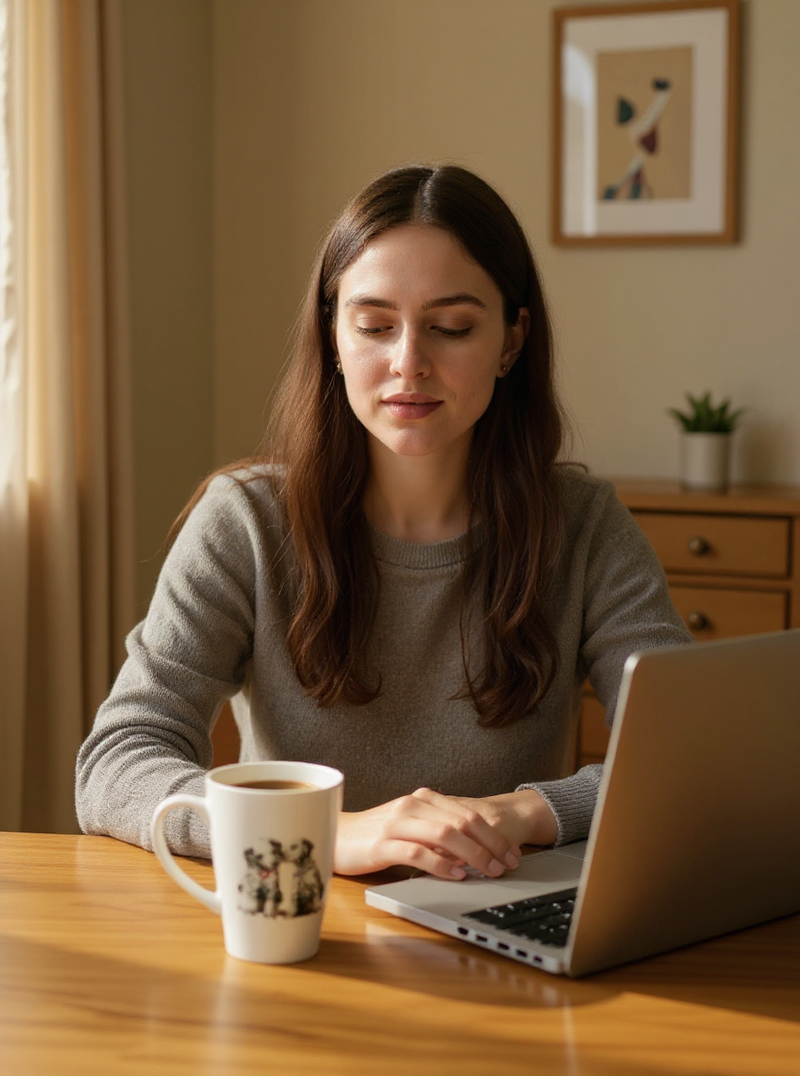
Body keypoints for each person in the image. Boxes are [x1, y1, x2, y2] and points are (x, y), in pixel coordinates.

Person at [75, 164, 690, 881]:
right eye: (373, 326)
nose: (408, 364)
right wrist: (326, 836)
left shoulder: (585, 530)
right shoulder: (244, 522)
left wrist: (525, 813)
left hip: (497, 932)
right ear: (333, 337)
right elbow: (117, 765)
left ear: (512, 342)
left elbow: (685, 761)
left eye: (451, 327)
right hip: (297, 933)